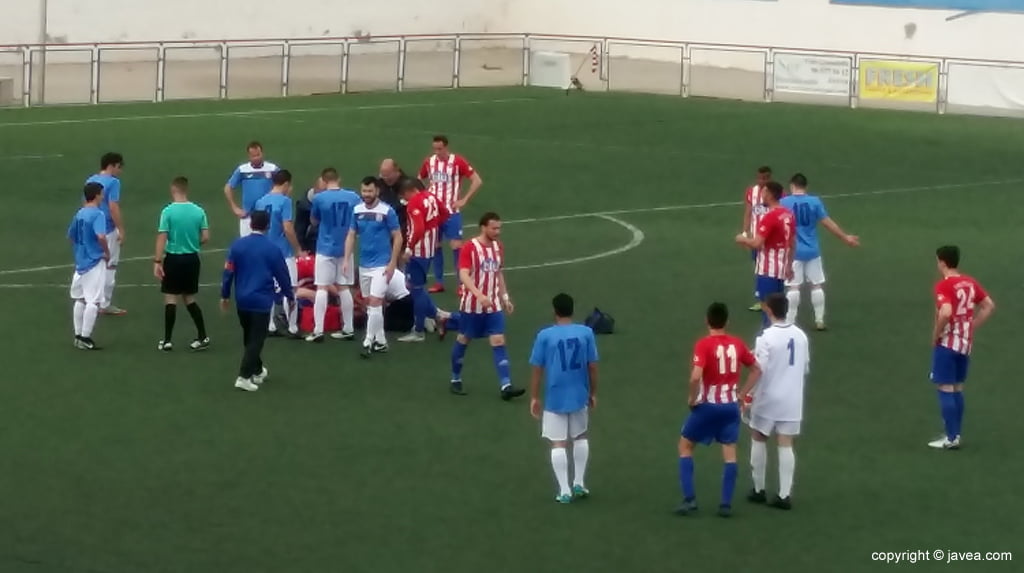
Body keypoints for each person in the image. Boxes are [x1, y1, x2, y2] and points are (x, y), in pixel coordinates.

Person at [676, 302, 761, 518]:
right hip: (731, 407)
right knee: (730, 452)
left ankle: (689, 499)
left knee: (685, 446)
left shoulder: (704, 345)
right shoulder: (737, 344)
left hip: (708, 406)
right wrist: (742, 394)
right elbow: (756, 370)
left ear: (707, 321)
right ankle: (725, 505)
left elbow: (696, 376)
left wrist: (692, 398)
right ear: (727, 322)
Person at [739, 293, 809, 510]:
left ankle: (759, 489)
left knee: (759, 436)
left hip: (768, 397)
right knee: (785, 442)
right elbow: (805, 367)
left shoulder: (765, 337)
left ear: (769, 310)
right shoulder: (801, 336)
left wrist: (745, 393)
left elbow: (758, 369)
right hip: (793, 398)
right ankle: (784, 494)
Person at [529, 293, 599, 504]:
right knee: (580, 436)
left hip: (555, 395)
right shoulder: (586, 333)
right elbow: (593, 367)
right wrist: (593, 393)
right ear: (572, 310)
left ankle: (565, 490)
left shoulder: (545, 335)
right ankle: (579, 482)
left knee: (558, 443)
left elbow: (537, 369)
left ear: (554, 311)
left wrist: (534, 397)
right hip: (579, 393)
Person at [449, 212, 525, 400]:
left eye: (499, 228)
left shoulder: (498, 247)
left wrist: (505, 297)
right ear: (483, 227)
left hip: (493, 306)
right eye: (494, 228)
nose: (497, 231)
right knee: (464, 339)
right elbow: (464, 275)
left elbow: (498, 273)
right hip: (472, 306)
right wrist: (479, 294)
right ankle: (455, 378)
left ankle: (506, 386)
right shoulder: (470, 247)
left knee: (498, 340)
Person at [928, 245, 995, 449]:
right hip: (965, 345)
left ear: (942, 262)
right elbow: (989, 306)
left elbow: (946, 312)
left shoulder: (944, 286)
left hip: (948, 344)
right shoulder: (969, 282)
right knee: (957, 387)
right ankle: (955, 434)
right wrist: (972, 325)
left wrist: (937, 333)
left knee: (945, 387)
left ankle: (951, 438)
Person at [220, 210, 294, 392]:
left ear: (251, 223)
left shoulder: (237, 245)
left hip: (242, 299)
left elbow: (228, 271)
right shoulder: (272, 249)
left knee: (249, 336)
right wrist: (290, 296)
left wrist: (225, 295)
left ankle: (258, 370)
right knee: (256, 340)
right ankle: (243, 376)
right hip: (261, 300)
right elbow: (282, 275)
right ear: (268, 226)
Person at [779, 173, 859, 330]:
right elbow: (828, 223)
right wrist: (845, 237)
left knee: (793, 287)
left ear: (792, 186)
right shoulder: (814, 202)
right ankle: (819, 320)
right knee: (816, 285)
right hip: (813, 250)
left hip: (792, 251)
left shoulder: (784, 203)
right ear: (805, 187)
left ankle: (789, 321)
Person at [343, 176, 405, 357]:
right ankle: (382, 341)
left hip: (382, 265)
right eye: (364, 191)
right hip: (364, 265)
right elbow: (351, 235)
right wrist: (346, 259)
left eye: (370, 191)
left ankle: (368, 340)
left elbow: (398, 236)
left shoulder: (387, 211)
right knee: (371, 305)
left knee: (376, 301)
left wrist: (393, 262)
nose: (366, 194)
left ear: (377, 191)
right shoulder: (356, 210)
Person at [419, 135, 483, 293]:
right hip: (433, 212)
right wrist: (425, 195)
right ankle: (439, 282)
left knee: (456, 246)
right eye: (435, 148)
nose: (437, 152)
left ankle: (462, 284)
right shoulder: (429, 162)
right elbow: (419, 178)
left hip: (451, 211)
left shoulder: (458, 162)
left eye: (440, 149)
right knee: (435, 246)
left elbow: (477, 180)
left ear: (446, 147)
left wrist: (465, 199)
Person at [153, 176, 210, 352]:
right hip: (192, 259)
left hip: (173, 258)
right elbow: (206, 237)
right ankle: (202, 336)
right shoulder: (199, 211)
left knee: (170, 297)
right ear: (186, 190)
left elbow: (162, 237)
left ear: (173, 190)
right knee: (189, 298)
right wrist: (193, 243)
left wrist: (157, 260)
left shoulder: (168, 212)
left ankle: (167, 340)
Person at [307, 168, 361, 342]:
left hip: (325, 247)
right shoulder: (353, 197)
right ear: (339, 178)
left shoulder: (319, 198)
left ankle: (318, 330)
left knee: (322, 287)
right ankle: (348, 328)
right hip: (346, 247)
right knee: (344, 287)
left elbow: (313, 220)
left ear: (323, 180)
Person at [398, 178, 453, 342]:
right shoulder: (431, 196)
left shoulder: (414, 203)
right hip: (429, 250)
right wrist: (434, 229)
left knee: (416, 289)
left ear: (410, 190)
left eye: (404, 195)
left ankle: (419, 330)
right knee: (414, 287)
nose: (404, 199)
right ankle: (438, 315)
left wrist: (409, 248)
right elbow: (445, 213)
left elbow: (419, 228)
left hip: (418, 251)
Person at [735, 181, 794, 328]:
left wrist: (742, 239)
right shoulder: (788, 214)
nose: (762, 194)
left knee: (767, 308)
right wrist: (789, 265)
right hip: (781, 269)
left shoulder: (769, 217)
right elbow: (792, 243)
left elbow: (757, 243)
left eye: (764, 192)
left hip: (768, 270)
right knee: (778, 309)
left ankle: (766, 343)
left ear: (769, 194)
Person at [254, 169, 302, 337]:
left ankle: (270, 326)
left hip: (265, 250)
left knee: (268, 289)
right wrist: (298, 249)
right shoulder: (285, 201)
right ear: (286, 184)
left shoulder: (260, 201)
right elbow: (288, 228)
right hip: (283, 252)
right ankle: (293, 327)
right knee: (291, 288)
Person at [68, 182, 110, 350]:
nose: (103, 196)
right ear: (97, 195)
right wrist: (106, 252)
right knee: (93, 301)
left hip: (80, 261)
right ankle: (85, 337)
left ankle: (78, 335)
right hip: (94, 261)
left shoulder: (80, 213)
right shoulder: (97, 214)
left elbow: (71, 236)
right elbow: (101, 236)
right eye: (101, 193)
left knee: (80, 298)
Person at [86, 152, 126, 315]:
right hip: (108, 228)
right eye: (119, 166)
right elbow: (113, 206)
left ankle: (89, 298)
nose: (120, 170)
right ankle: (105, 303)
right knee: (110, 265)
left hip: (91, 228)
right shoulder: (113, 182)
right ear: (112, 165)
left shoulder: (90, 180)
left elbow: (86, 204)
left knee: (94, 264)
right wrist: (121, 229)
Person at [224, 141, 279, 237]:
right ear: (249, 156)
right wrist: (234, 208)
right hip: (248, 216)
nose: (256, 158)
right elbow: (228, 188)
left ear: (262, 153)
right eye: (253, 156)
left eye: (258, 155)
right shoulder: (242, 170)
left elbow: (284, 185)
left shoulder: (272, 169)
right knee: (247, 245)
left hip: (268, 216)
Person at [741, 166, 772, 312]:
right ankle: (761, 299)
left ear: (769, 178)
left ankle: (771, 298)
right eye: (760, 178)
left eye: (765, 178)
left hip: (772, 239)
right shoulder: (751, 192)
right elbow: (748, 213)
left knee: (771, 269)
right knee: (758, 268)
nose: (762, 181)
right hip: (756, 238)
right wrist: (745, 233)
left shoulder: (777, 192)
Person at [378, 158, 411, 237]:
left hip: (404, 234)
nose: (386, 179)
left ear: (397, 171)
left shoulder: (409, 186)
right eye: (383, 176)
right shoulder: (378, 186)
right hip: (383, 235)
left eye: (388, 175)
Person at [294, 176, 324, 254]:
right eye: (322, 191)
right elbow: (300, 229)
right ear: (315, 188)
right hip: (311, 243)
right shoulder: (304, 205)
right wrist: (302, 249)